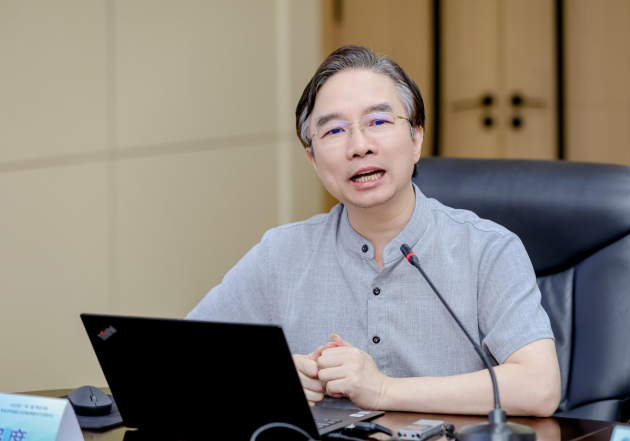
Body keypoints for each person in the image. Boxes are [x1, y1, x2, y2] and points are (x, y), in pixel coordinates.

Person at [187, 45, 561, 416]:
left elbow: (539, 387)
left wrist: (382, 389)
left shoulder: (487, 249)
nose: (359, 146)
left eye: (378, 122)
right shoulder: (281, 254)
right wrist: (268, 378)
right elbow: (177, 360)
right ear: (313, 159)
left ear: (416, 138)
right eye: (334, 130)